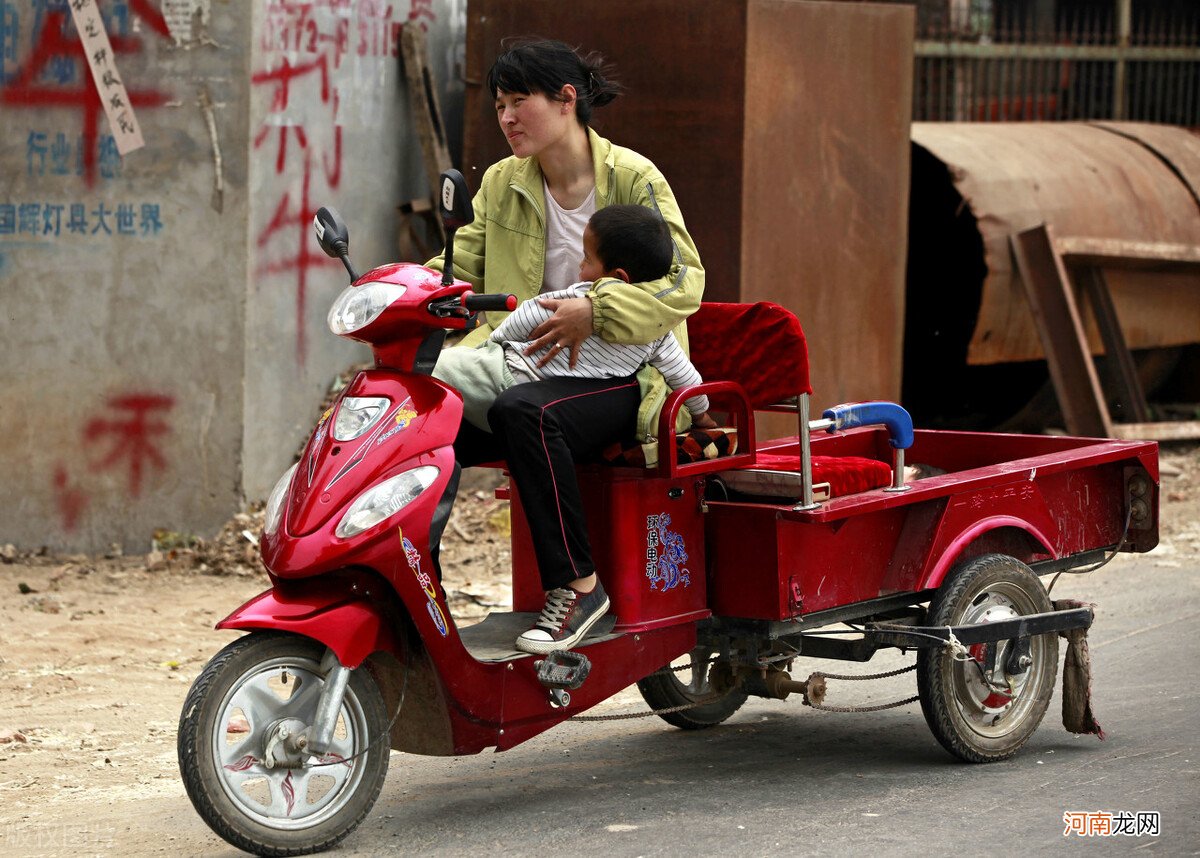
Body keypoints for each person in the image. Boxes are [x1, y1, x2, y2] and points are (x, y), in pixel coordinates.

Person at [426, 38, 704, 655]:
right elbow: (458, 263)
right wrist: (404, 292)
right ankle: (418, 592)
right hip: (525, 362)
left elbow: (685, 282)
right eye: (499, 104)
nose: (506, 117)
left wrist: (595, 308)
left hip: (623, 372)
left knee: (524, 412)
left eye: (519, 100)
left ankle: (579, 587)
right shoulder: (501, 182)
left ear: (566, 99)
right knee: (425, 421)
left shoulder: (633, 177)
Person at [434, 204, 718, 435]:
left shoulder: (587, 296)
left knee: (435, 366)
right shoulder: (656, 332)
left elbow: (530, 315)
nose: (581, 267)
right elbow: (685, 376)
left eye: (587, 258)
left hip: (511, 375)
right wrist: (701, 414)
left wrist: (494, 342)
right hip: (550, 393)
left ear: (618, 277)